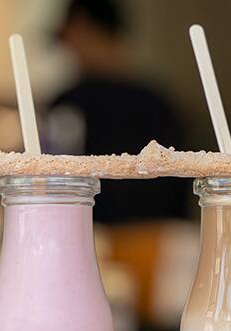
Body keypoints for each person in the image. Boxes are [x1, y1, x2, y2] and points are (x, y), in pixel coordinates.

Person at [49, 0, 189, 223]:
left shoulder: (70, 102)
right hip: (155, 234)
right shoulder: (158, 100)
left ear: (82, 27)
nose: (71, 53)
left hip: (93, 230)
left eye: (69, 41)